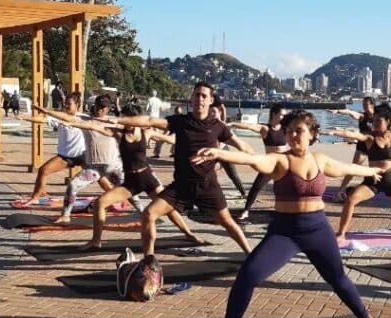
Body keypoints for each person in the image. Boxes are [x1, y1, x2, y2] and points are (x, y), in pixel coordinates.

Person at [191, 110, 385, 318]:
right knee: (248, 276)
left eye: (299, 130)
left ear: (312, 135)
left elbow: (346, 167)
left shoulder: (320, 159)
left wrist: (371, 172)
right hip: (285, 232)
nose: (293, 135)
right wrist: (219, 152)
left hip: (318, 229)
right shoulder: (280, 160)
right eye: (290, 130)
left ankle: (364, 315)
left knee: (338, 278)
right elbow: (254, 161)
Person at [112, 81, 253, 257]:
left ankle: (250, 254)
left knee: (228, 222)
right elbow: (149, 120)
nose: (199, 99)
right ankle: (149, 260)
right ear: (191, 98)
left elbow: (241, 145)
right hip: (181, 186)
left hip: (208, 186)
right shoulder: (180, 121)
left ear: (210, 101)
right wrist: (117, 119)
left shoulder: (218, 126)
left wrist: (260, 161)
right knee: (148, 214)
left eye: (204, 96)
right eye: (196, 95)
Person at [35, 102, 203, 247]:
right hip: (131, 181)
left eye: (131, 119)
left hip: (148, 178)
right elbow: (83, 123)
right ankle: (96, 241)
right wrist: (47, 112)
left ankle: (189, 234)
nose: (128, 123)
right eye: (125, 119)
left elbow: (172, 140)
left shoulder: (147, 132)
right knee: (100, 203)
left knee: (169, 208)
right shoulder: (117, 133)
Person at [328, 103, 391, 240]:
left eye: (378, 120)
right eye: (374, 120)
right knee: (350, 200)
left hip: (390, 179)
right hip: (372, 179)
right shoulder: (370, 137)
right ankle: (341, 233)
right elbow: (353, 134)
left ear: (387, 121)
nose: (374, 123)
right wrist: (333, 132)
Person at [50, 96, 125, 223]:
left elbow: (136, 126)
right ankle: (65, 216)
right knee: (73, 185)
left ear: (107, 109)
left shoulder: (113, 122)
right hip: (94, 167)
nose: (99, 110)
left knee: (131, 192)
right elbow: (65, 117)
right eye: (97, 106)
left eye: (102, 108)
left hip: (113, 166)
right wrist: (44, 110)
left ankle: (143, 212)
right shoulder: (85, 119)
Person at [15, 91, 86, 205]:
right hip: (65, 157)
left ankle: (116, 195)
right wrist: (24, 118)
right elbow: (42, 120)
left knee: (100, 176)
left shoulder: (83, 118)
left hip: (83, 156)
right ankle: (36, 196)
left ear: (77, 105)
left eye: (69, 104)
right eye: (65, 104)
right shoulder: (60, 118)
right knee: (43, 170)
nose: (66, 106)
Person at [230, 103, 289, 221]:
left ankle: (288, 213)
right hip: (269, 164)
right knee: (256, 187)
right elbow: (249, 126)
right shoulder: (265, 129)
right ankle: (246, 211)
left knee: (287, 189)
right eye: (282, 115)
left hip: (283, 165)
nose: (284, 118)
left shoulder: (286, 129)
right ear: (274, 114)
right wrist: (232, 123)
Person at [330, 97, 376, 200]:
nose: (364, 106)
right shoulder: (362, 116)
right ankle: (340, 191)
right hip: (363, 147)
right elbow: (350, 112)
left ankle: (369, 190)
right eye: (363, 104)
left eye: (366, 104)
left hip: (374, 147)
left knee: (375, 170)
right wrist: (338, 111)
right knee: (353, 169)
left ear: (372, 105)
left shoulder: (378, 117)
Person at [211, 96, 248, 199]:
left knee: (232, 174)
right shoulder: (207, 125)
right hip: (213, 152)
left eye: (214, 112)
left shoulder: (223, 125)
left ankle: (243, 193)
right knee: (207, 174)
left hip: (223, 150)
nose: (212, 114)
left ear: (219, 113)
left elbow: (229, 142)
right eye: (211, 112)